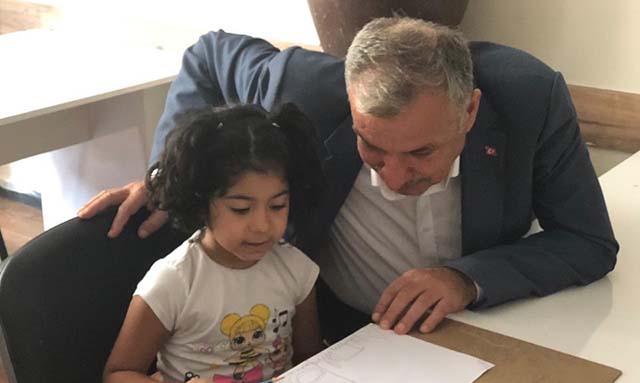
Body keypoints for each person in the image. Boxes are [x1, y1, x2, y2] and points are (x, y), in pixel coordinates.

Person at [79, 17, 618, 343]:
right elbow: (208, 57)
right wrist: (168, 171)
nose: (395, 177)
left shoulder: (529, 98)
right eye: (372, 147)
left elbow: (587, 241)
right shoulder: (301, 90)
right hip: (340, 334)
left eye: (421, 152)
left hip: (486, 328)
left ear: (470, 112)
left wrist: (465, 279)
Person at [101, 103, 325, 383]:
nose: (262, 225)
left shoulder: (296, 270)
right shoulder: (173, 282)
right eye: (241, 209)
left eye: (277, 206)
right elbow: (117, 377)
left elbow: (309, 358)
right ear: (202, 202)